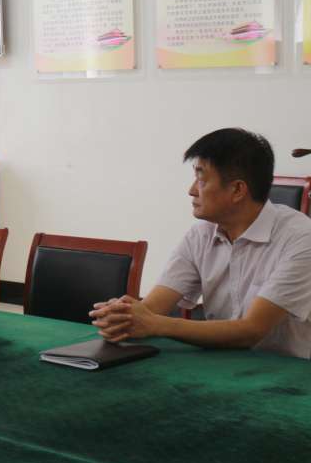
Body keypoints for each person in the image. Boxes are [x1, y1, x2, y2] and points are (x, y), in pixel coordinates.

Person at [91, 129, 311, 358]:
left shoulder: (301, 238)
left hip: (289, 372)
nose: (191, 190)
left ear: (237, 190)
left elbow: (252, 330)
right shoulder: (201, 235)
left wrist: (155, 324)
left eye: (201, 179)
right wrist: (122, 315)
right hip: (221, 362)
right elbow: (153, 308)